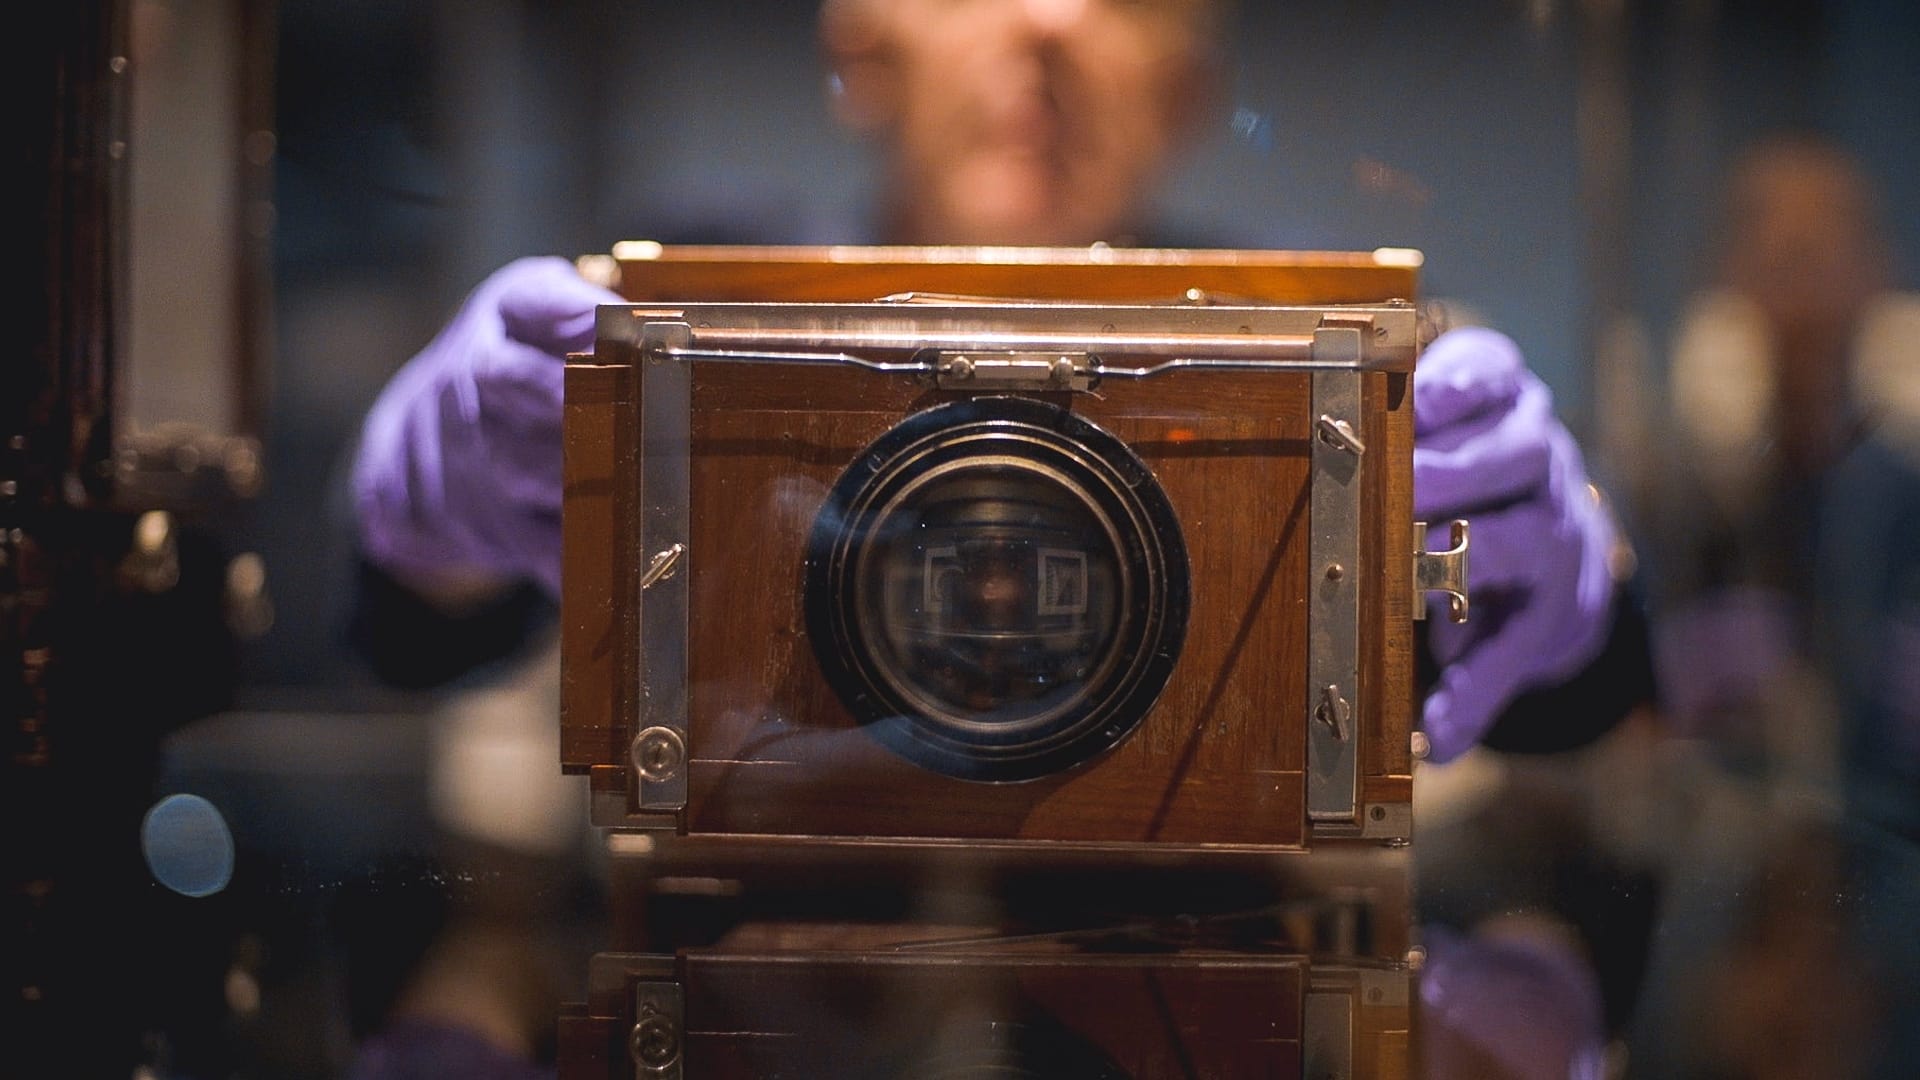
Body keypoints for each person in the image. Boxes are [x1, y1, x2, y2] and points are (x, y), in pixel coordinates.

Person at [345, 1, 1644, 1076]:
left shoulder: (1337, 360)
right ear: (860, 47)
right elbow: (419, 637)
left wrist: (1566, 578)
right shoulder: (669, 319)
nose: (1052, 22)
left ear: (1186, 86)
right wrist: (420, 518)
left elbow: (1567, 701)